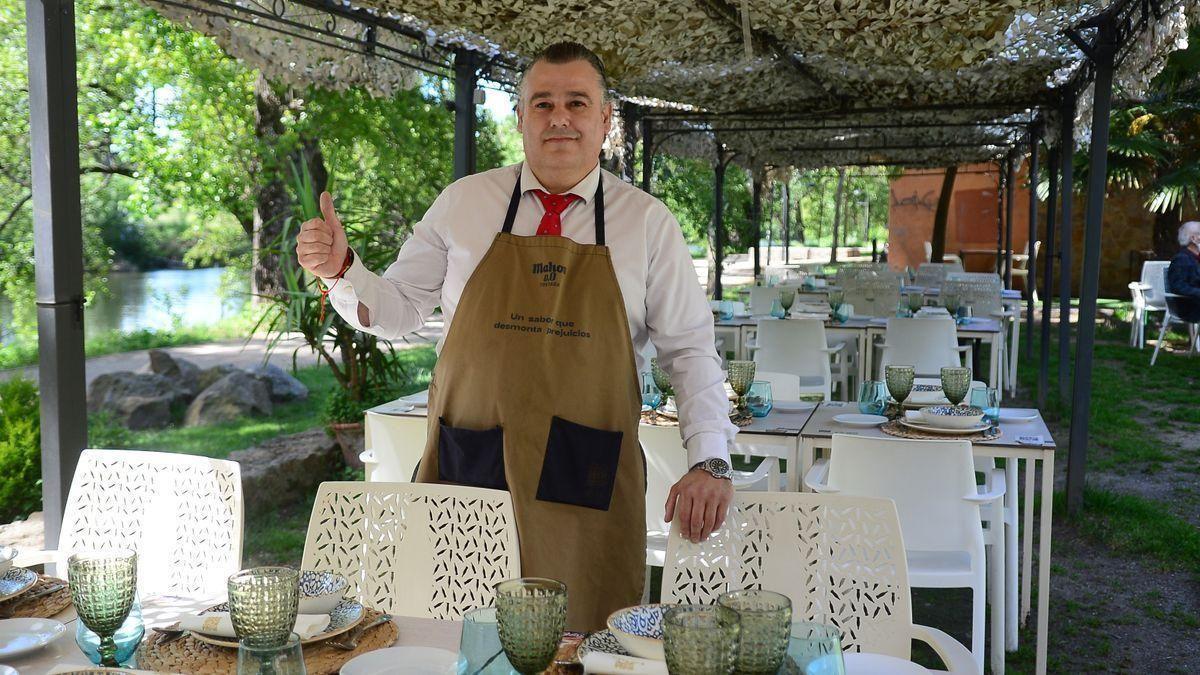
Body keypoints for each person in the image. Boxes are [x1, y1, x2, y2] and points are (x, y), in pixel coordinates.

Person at [294, 42, 737, 630]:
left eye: (577, 102)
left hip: (584, 473)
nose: (559, 117)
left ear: (605, 119)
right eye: (542, 102)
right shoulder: (464, 203)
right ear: (520, 116)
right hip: (470, 463)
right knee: (457, 633)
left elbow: (689, 351)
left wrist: (710, 458)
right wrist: (342, 272)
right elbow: (399, 309)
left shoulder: (648, 223)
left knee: (581, 642)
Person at [1167, 221, 1200, 323]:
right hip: (1191, 306)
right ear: (1193, 239)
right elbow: (1178, 287)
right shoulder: (1181, 259)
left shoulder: (1196, 258)